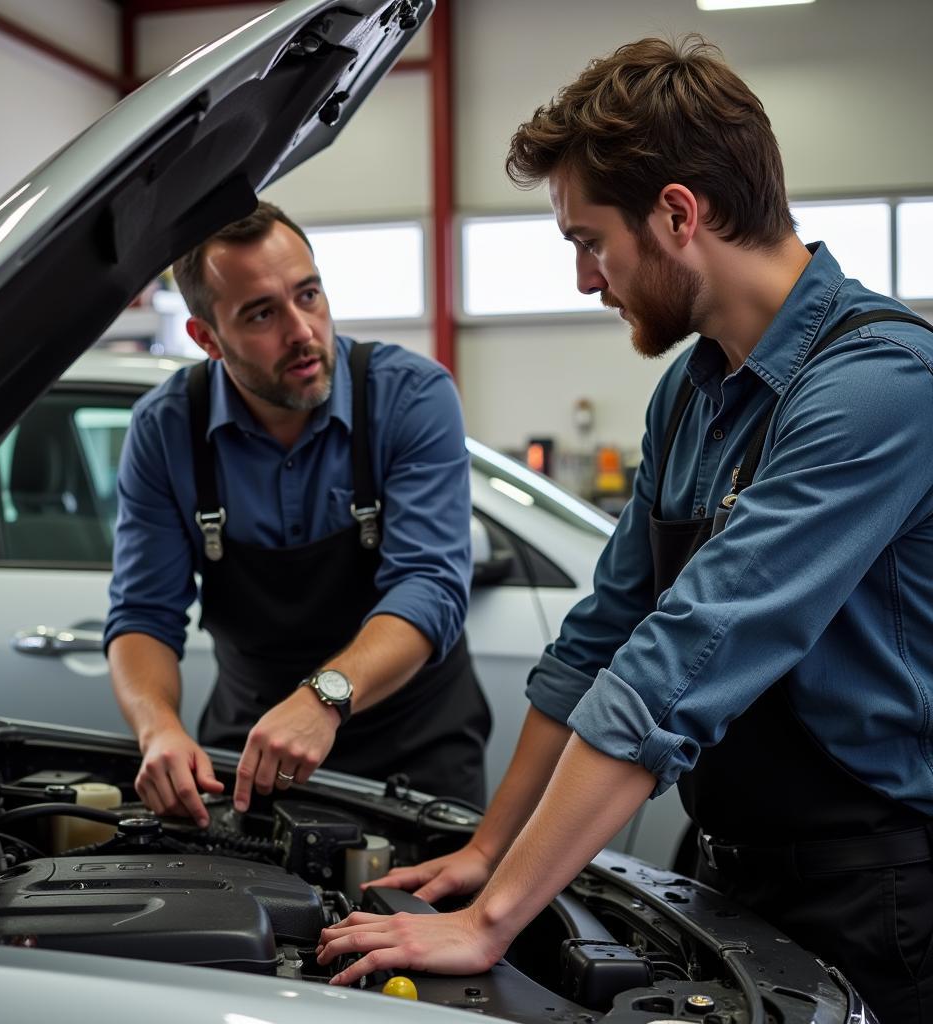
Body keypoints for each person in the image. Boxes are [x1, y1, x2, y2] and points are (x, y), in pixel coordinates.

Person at [316, 36, 933, 1022]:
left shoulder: (877, 388)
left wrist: (494, 920)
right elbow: (600, 640)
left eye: (587, 239)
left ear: (678, 214)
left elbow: (682, 658)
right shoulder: (690, 397)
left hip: (877, 893)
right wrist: (489, 854)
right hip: (730, 870)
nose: (583, 279)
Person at [105, 201, 491, 827]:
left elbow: (431, 585)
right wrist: (159, 730)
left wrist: (324, 698)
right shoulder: (166, 428)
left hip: (416, 751)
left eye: (308, 295)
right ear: (206, 337)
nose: (303, 332)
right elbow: (144, 614)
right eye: (261, 313)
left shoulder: (411, 398)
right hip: (252, 747)